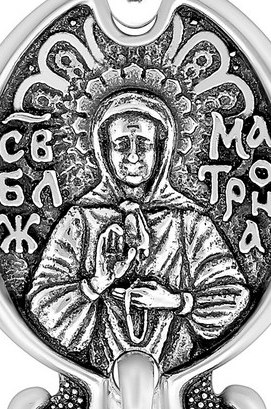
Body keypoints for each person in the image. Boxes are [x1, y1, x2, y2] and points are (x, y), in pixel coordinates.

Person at [27, 90, 249, 372]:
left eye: (143, 144)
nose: (132, 156)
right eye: (121, 144)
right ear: (104, 151)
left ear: (161, 150)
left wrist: (176, 301)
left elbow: (234, 296)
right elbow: (43, 305)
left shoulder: (189, 221)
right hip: (99, 367)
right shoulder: (81, 219)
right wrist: (96, 284)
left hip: (179, 365)